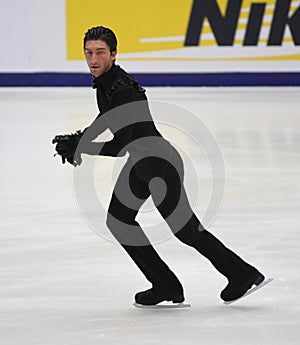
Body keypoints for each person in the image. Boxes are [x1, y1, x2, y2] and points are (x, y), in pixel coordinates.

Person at [53, 26, 265, 306]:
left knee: (186, 231)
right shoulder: (106, 84)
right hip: (142, 162)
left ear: (114, 54)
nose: (93, 59)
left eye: (100, 53)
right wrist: (82, 139)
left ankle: (241, 274)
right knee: (119, 221)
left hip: (157, 164)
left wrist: (84, 147)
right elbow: (107, 122)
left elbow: (120, 146)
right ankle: (165, 284)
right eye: (88, 52)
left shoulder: (123, 89)